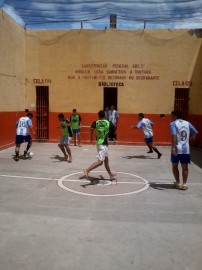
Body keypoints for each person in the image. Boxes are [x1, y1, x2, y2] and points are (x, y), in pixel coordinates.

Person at [83, 110, 116, 181]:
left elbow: (91, 128)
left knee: (106, 160)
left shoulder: (96, 122)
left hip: (99, 143)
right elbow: (114, 130)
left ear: (98, 116)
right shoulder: (108, 123)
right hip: (103, 144)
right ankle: (87, 170)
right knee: (100, 162)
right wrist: (112, 137)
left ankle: (110, 174)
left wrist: (91, 139)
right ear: (105, 115)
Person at [170, 109, 198, 190]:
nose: (171, 117)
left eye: (172, 115)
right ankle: (184, 184)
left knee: (175, 165)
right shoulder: (187, 123)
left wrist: (173, 147)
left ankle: (178, 182)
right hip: (186, 149)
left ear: (175, 115)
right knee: (184, 167)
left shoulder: (173, 124)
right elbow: (195, 132)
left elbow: (174, 135)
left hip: (177, 148)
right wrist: (189, 140)